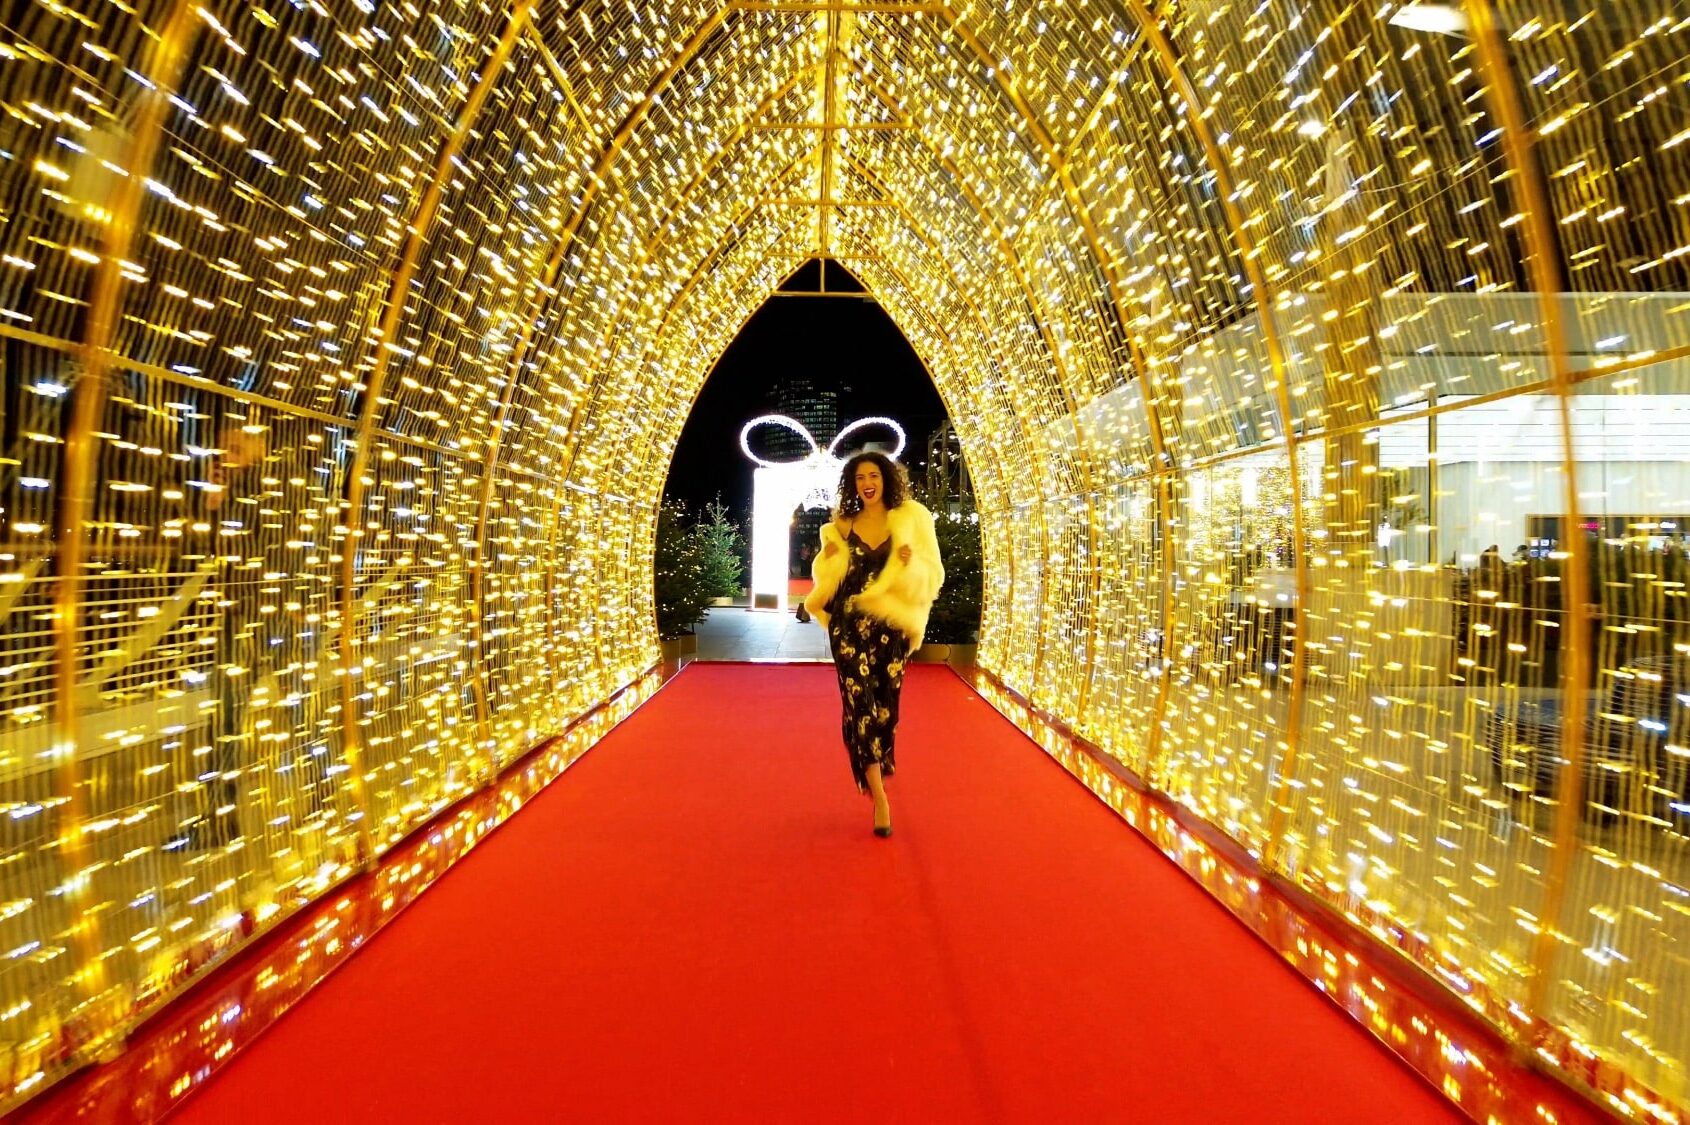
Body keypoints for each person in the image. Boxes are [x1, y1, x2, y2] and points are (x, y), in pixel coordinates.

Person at [801, 451, 943, 838]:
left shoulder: (910, 521)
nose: (868, 482)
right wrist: (828, 560)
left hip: (890, 628)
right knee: (859, 704)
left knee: (885, 711)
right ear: (853, 483)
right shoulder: (842, 524)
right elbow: (827, 575)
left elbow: (933, 574)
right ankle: (879, 795)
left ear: (886, 481)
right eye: (861, 476)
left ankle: (878, 762)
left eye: (875, 476)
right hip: (848, 628)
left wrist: (912, 564)